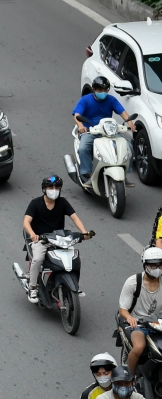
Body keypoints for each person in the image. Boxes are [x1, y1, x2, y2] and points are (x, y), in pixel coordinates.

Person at [22, 174, 91, 303]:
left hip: (60, 239)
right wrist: (32, 234)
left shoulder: (62, 202)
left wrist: (84, 232)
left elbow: (75, 217)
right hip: (41, 240)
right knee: (37, 259)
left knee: (75, 258)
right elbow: (26, 222)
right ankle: (32, 287)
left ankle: (74, 284)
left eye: (56, 187)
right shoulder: (35, 203)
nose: (54, 190)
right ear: (44, 189)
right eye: (50, 187)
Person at [74, 75, 137, 179]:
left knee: (128, 147)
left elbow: (123, 112)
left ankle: (125, 172)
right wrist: (81, 126)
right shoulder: (85, 100)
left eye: (105, 90)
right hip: (91, 131)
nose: (102, 92)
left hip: (109, 131)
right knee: (83, 148)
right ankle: (87, 174)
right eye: (99, 89)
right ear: (93, 89)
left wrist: (130, 122)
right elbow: (77, 115)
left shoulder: (111, 100)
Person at [118, 247, 162, 375]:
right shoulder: (133, 282)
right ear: (145, 265)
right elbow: (123, 310)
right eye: (153, 266)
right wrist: (130, 318)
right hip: (138, 324)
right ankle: (129, 378)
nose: (157, 269)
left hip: (158, 322)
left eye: (160, 265)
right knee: (138, 348)